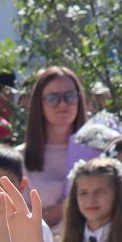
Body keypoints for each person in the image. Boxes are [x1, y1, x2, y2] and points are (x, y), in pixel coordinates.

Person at [22, 67, 90, 223]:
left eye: (70, 96)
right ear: (40, 105)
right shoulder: (20, 159)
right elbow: (19, 222)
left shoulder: (97, 150)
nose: (62, 104)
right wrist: (69, 206)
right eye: (53, 98)